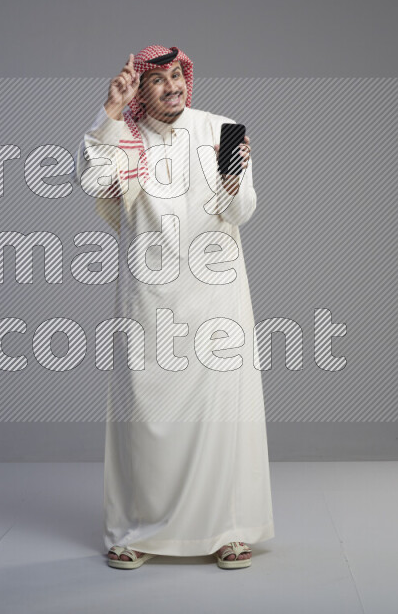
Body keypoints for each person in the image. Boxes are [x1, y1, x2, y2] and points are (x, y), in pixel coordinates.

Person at [76, 45, 274, 570]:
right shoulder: (125, 135)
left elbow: (243, 211)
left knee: (219, 417)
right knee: (146, 415)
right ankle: (136, 531)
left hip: (216, 298)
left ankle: (228, 530)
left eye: (177, 77)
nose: (172, 88)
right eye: (158, 81)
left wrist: (234, 181)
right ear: (139, 90)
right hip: (149, 296)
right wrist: (110, 113)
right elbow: (95, 182)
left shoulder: (222, 129)